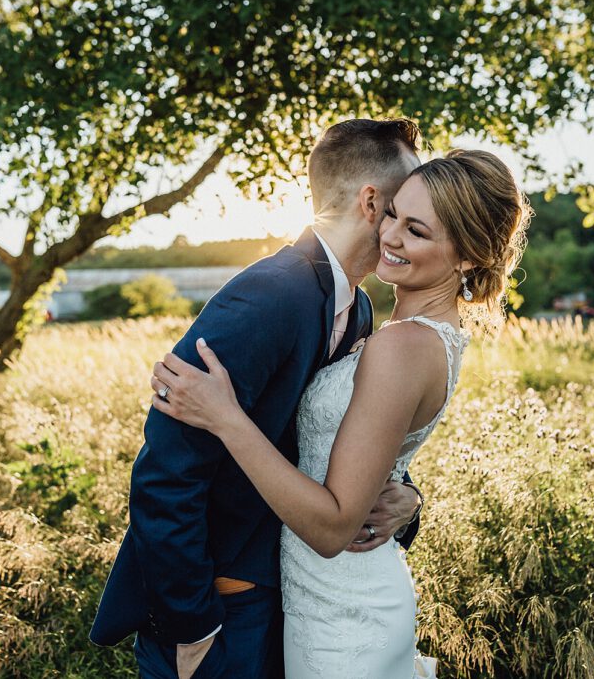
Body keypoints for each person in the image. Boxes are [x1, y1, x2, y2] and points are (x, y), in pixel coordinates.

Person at [149, 149, 530, 678]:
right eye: (393, 213)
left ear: (467, 255)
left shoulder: (399, 346)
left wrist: (226, 418)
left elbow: (331, 528)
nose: (390, 236)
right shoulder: (398, 329)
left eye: (416, 230)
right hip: (321, 600)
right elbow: (368, 447)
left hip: (342, 617)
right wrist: (409, 497)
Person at [89, 119, 428, 679]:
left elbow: (333, 437)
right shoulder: (270, 293)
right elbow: (166, 472)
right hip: (226, 612)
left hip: (299, 599)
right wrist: (192, 626)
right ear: (371, 202)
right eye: (400, 209)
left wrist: (406, 500)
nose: (405, 227)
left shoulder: (361, 311)